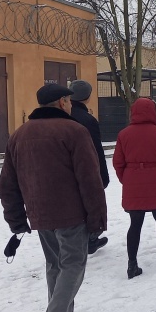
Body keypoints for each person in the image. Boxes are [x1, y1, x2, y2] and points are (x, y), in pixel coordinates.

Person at [0, 83, 107, 312]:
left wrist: (17, 219)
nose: (71, 105)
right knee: (72, 266)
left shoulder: (19, 135)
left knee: (55, 265)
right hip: (71, 213)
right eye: (68, 101)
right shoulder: (74, 131)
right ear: (61, 103)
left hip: (39, 214)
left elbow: (6, 184)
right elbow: (89, 179)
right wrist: (97, 218)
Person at [112, 98, 156, 279]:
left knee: (135, 223)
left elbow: (118, 162)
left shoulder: (124, 134)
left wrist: (126, 179)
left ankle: (132, 263)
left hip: (133, 180)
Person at [68, 79, 110, 254]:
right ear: (88, 97)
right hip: (86, 169)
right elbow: (96, 149)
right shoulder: (88, 120)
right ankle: (91, 239)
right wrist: (103, 175)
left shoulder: (64, 116)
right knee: (90, 204)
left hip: (66, 169)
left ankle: (73, 240)